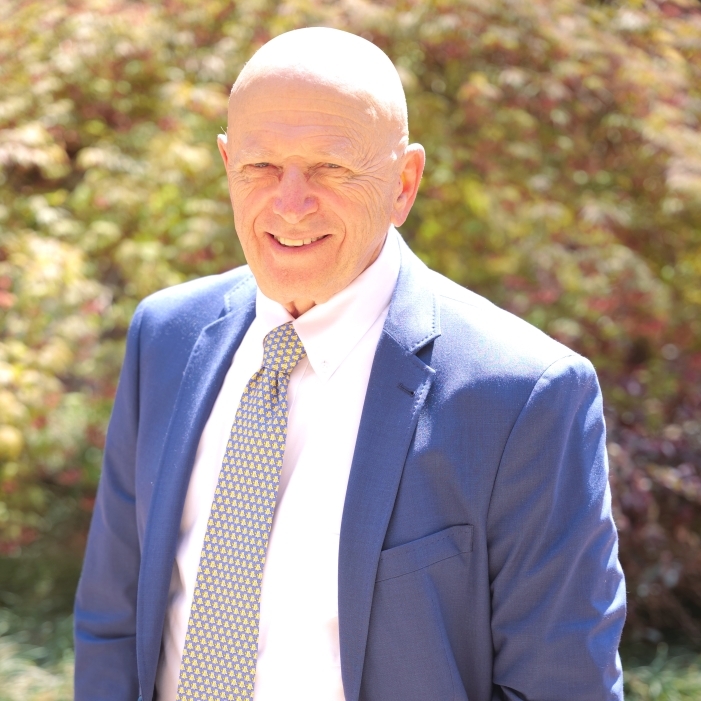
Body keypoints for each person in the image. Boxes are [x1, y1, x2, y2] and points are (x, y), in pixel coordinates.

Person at [74, 27, 626, 701]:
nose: (290, 203)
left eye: (331, 168)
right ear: (226, 163)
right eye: (261, 166)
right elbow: (111, 619)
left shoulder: (522, 396)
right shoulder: (165, 336)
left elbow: (562, 686)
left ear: (403, 183)